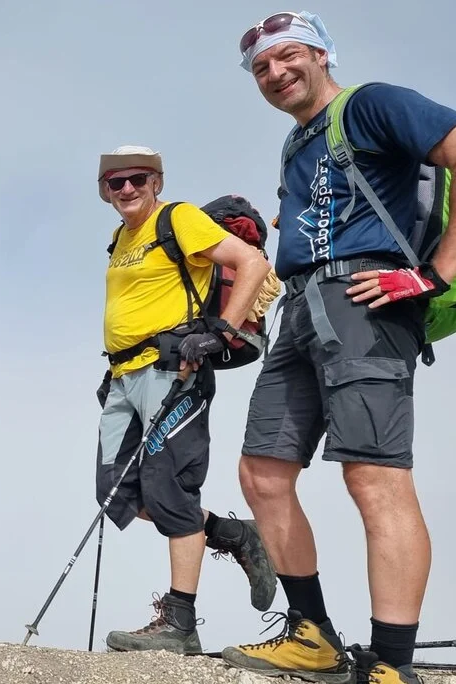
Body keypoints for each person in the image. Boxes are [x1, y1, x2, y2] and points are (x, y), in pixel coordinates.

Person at [222, 11, 456, 684]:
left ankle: (391, 665)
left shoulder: (373, 104)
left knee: (374, 476)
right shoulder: (298, 144)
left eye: (289, 56)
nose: (276, 73)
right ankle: (313, 638)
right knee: (263, 474)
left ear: (324, 55)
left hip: (366, 303)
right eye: (262, 67)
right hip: (302, 306)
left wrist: (437, 272)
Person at [94, 145, 277, 655]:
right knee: (114, 491)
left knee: (168, 487)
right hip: (124, 377)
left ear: (156, 182)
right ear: (105, 191)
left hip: (173, 371)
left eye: (137, 179)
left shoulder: (179, 219)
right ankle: (235, 535)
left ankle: (180, 622)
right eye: (116, 182)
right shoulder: (120, 238)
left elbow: (252, 263)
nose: (127, 189)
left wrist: (220, 332)